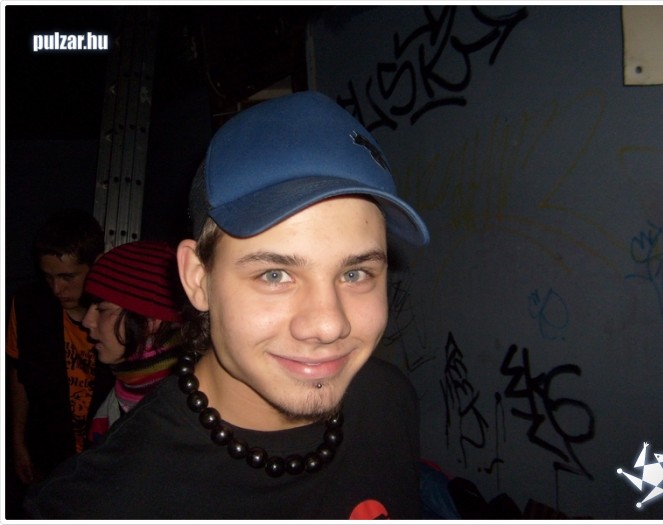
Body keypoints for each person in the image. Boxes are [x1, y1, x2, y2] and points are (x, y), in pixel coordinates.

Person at [24, 91, 430, 519]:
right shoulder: (100, 503)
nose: (329, 326)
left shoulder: (389, 399)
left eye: (356, 273)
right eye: (274, 275)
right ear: (198, 279)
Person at [5, 209, 113, 492]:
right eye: (49, 277)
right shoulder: (29, 305)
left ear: (96, 265)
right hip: (46, 452)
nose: (57, 289)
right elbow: (19, 375)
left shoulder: (115, 312)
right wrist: (17, 442)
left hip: (102, 458)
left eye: (68, 277)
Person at [81, 240, 184, 444]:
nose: (87, 321)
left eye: (101, 309)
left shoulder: (180, 415)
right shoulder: (119, 390)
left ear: (151, 320)